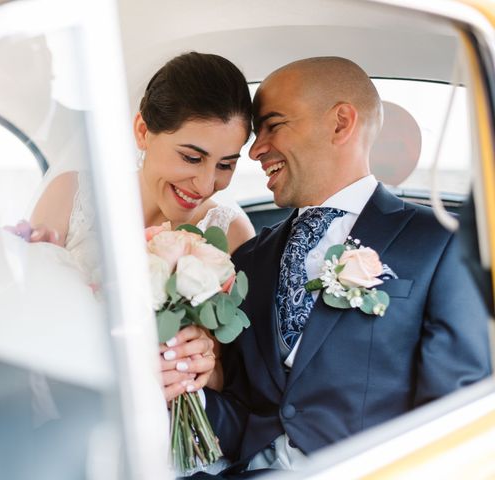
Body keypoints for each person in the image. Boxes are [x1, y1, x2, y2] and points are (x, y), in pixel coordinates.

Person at [200, 57, 492, 473]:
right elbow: (241, 408)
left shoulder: (438, 242)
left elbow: (454, 409)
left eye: (273, 125)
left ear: (340, 123)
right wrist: (181, 386)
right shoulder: (249, 258)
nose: (256, 149)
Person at [29, 51, 256, 396]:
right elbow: (27, 325)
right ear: (142, 131)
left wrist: (203, 367)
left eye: (225, 165)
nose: (206, 185)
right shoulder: (71, 196)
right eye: (192, 158)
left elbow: (231, 382)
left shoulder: (230, 231)